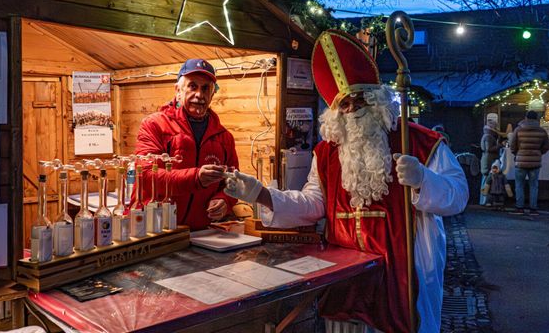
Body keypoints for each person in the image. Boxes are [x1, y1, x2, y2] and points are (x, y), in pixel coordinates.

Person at [224, 31, 468, 333]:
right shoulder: (327, 153)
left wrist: (423, 181)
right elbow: (313, 203)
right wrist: (260, 194)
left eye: (359, 99)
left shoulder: (418, 142)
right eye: (344, 105)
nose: (352, 110)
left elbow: (459, 196)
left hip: (403, 274)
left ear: (376, 99)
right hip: (346, 277)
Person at [135, 58, 238, 230]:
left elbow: (233, 182)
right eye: (193, 86)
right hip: (154, 230)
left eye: (206, 88)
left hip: (199, 234)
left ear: (212, 94)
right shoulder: (154, 125)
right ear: (178, 90)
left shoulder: (224, 137)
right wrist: (195, 177)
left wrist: (224, 200)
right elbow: (145, 176)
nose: (199, 94)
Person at [510, 110, 549, 215]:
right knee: (534, 185)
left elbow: (512, 145)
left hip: (521, 161)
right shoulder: (542, 131)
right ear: (537, 118)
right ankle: (533, 208)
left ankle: (520, 207)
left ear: (525, 117)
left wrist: (517, 154)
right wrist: (539, 153)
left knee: (519, 185)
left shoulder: (518, 130)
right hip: (535, 162)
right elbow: (547, 146)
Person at [480, 120, 501, 206]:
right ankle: (486, 200)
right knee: (487, 180)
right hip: (489, 160)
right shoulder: (489, 136)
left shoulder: (486, 135)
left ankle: (484, 200)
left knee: (486, 180)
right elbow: (488, 149)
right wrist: (499, 146)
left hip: (487, 159)